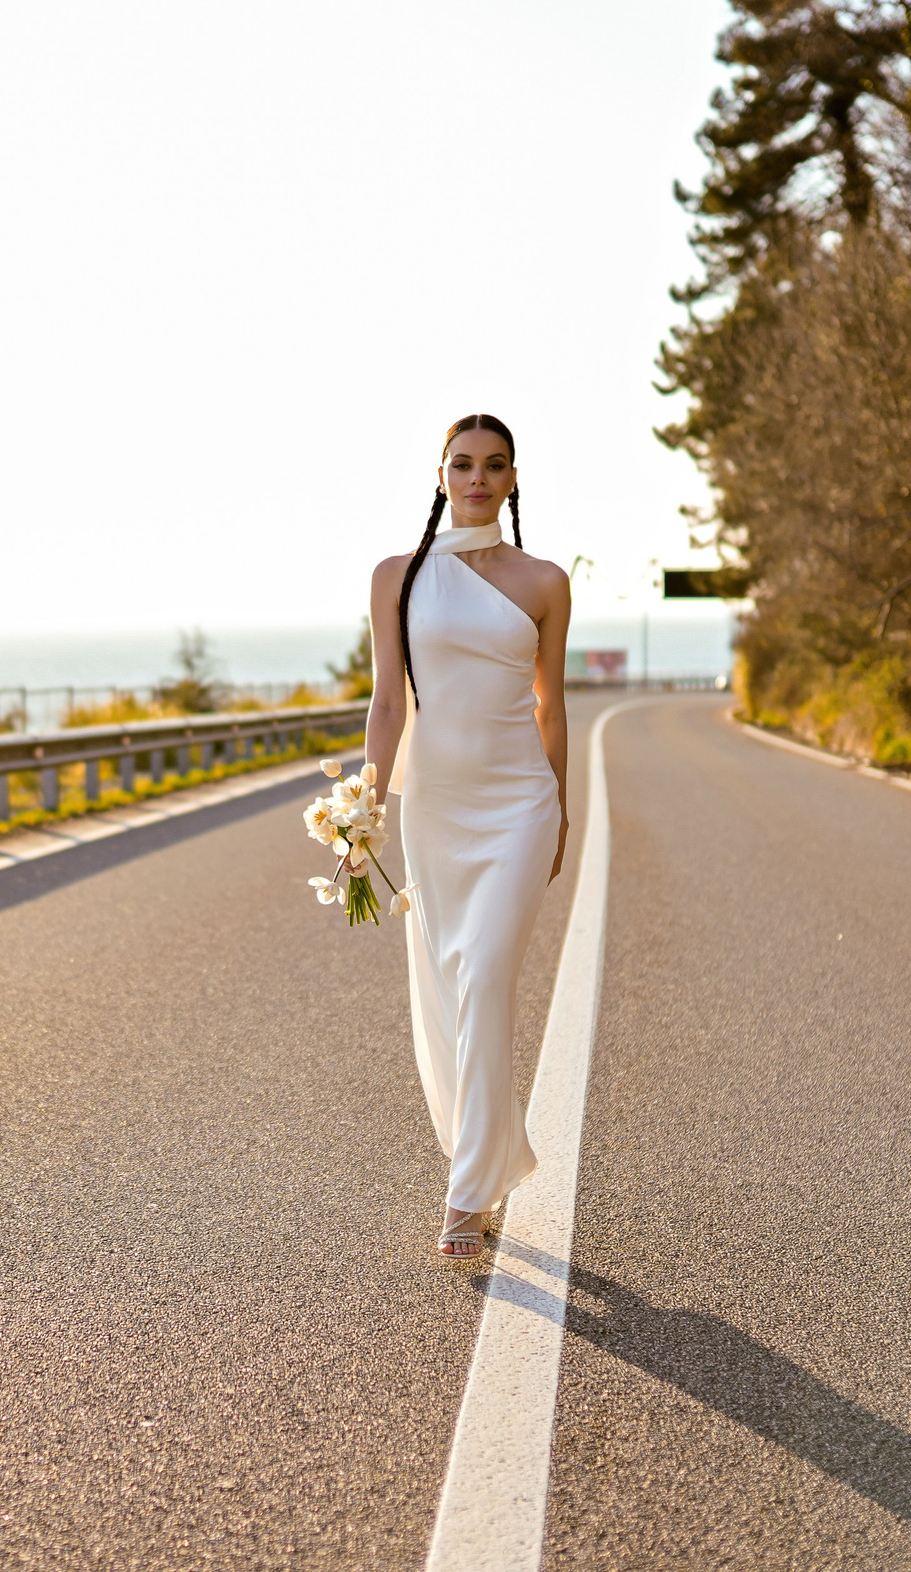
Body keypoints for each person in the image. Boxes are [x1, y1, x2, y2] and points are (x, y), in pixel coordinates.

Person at [360, 413, 571, 1260]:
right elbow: (386, 703)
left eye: (493, 465)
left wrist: (565, 812)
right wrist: (365, 810)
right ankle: (487, 1154)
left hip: (521, 802)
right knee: (452, 984)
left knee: (484, 976)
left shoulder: (547, 581)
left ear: (513, 478)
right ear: (441, 475)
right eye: (462, 464)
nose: (477, 478)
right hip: (436, 807)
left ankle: (469, 1192)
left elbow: (552, 705)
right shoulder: (396, 577)